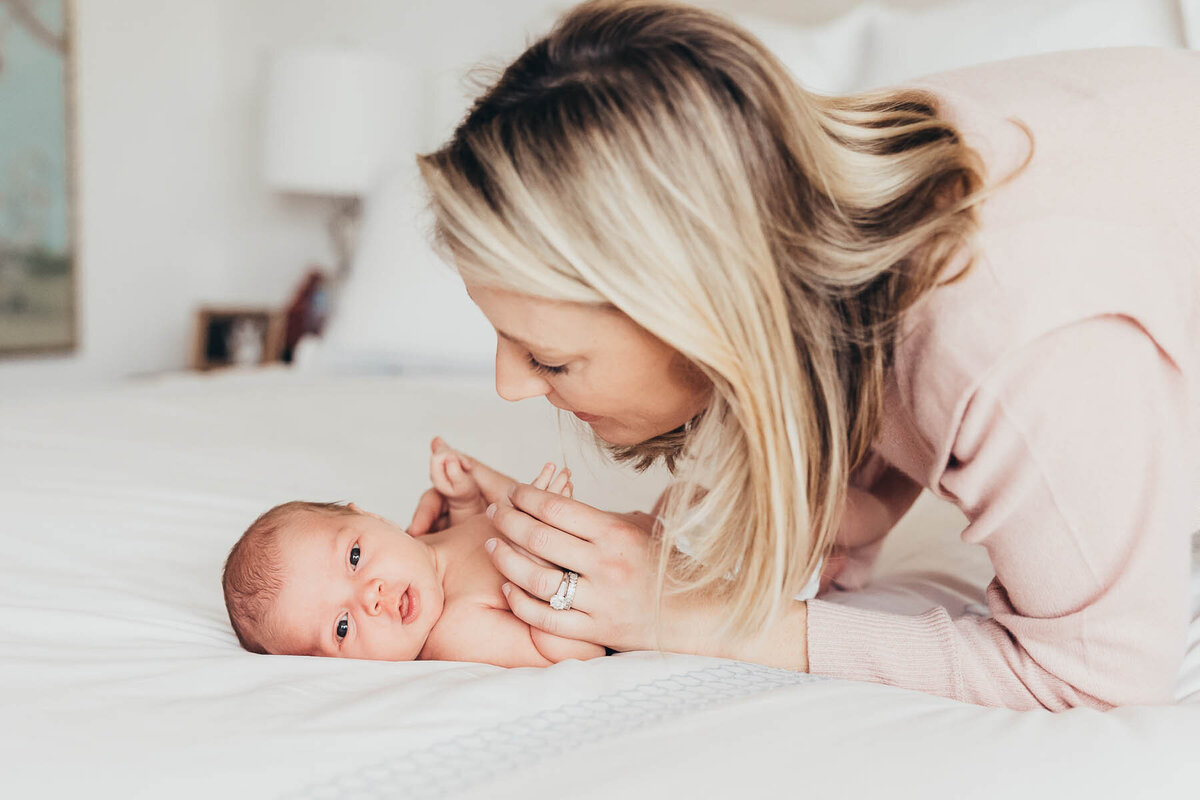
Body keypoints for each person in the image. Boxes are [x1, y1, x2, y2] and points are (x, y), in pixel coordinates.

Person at [413, 0, 1199, 710]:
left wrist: (695, 616)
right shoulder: (825, 197)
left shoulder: (1014, 337)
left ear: (699, 312)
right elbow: (871, 392)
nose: (507, 387)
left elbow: (1097, 676)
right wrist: (712, 544)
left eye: (548, 359)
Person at [221, 439, 607, 666]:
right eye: (342, 626)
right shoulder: (454, 632)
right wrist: (541, 565)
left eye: (354, 558)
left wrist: (465, 500)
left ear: (372, 517)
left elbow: (472, 538)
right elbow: (578, 652)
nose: (371, 597)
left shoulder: (430, 548)